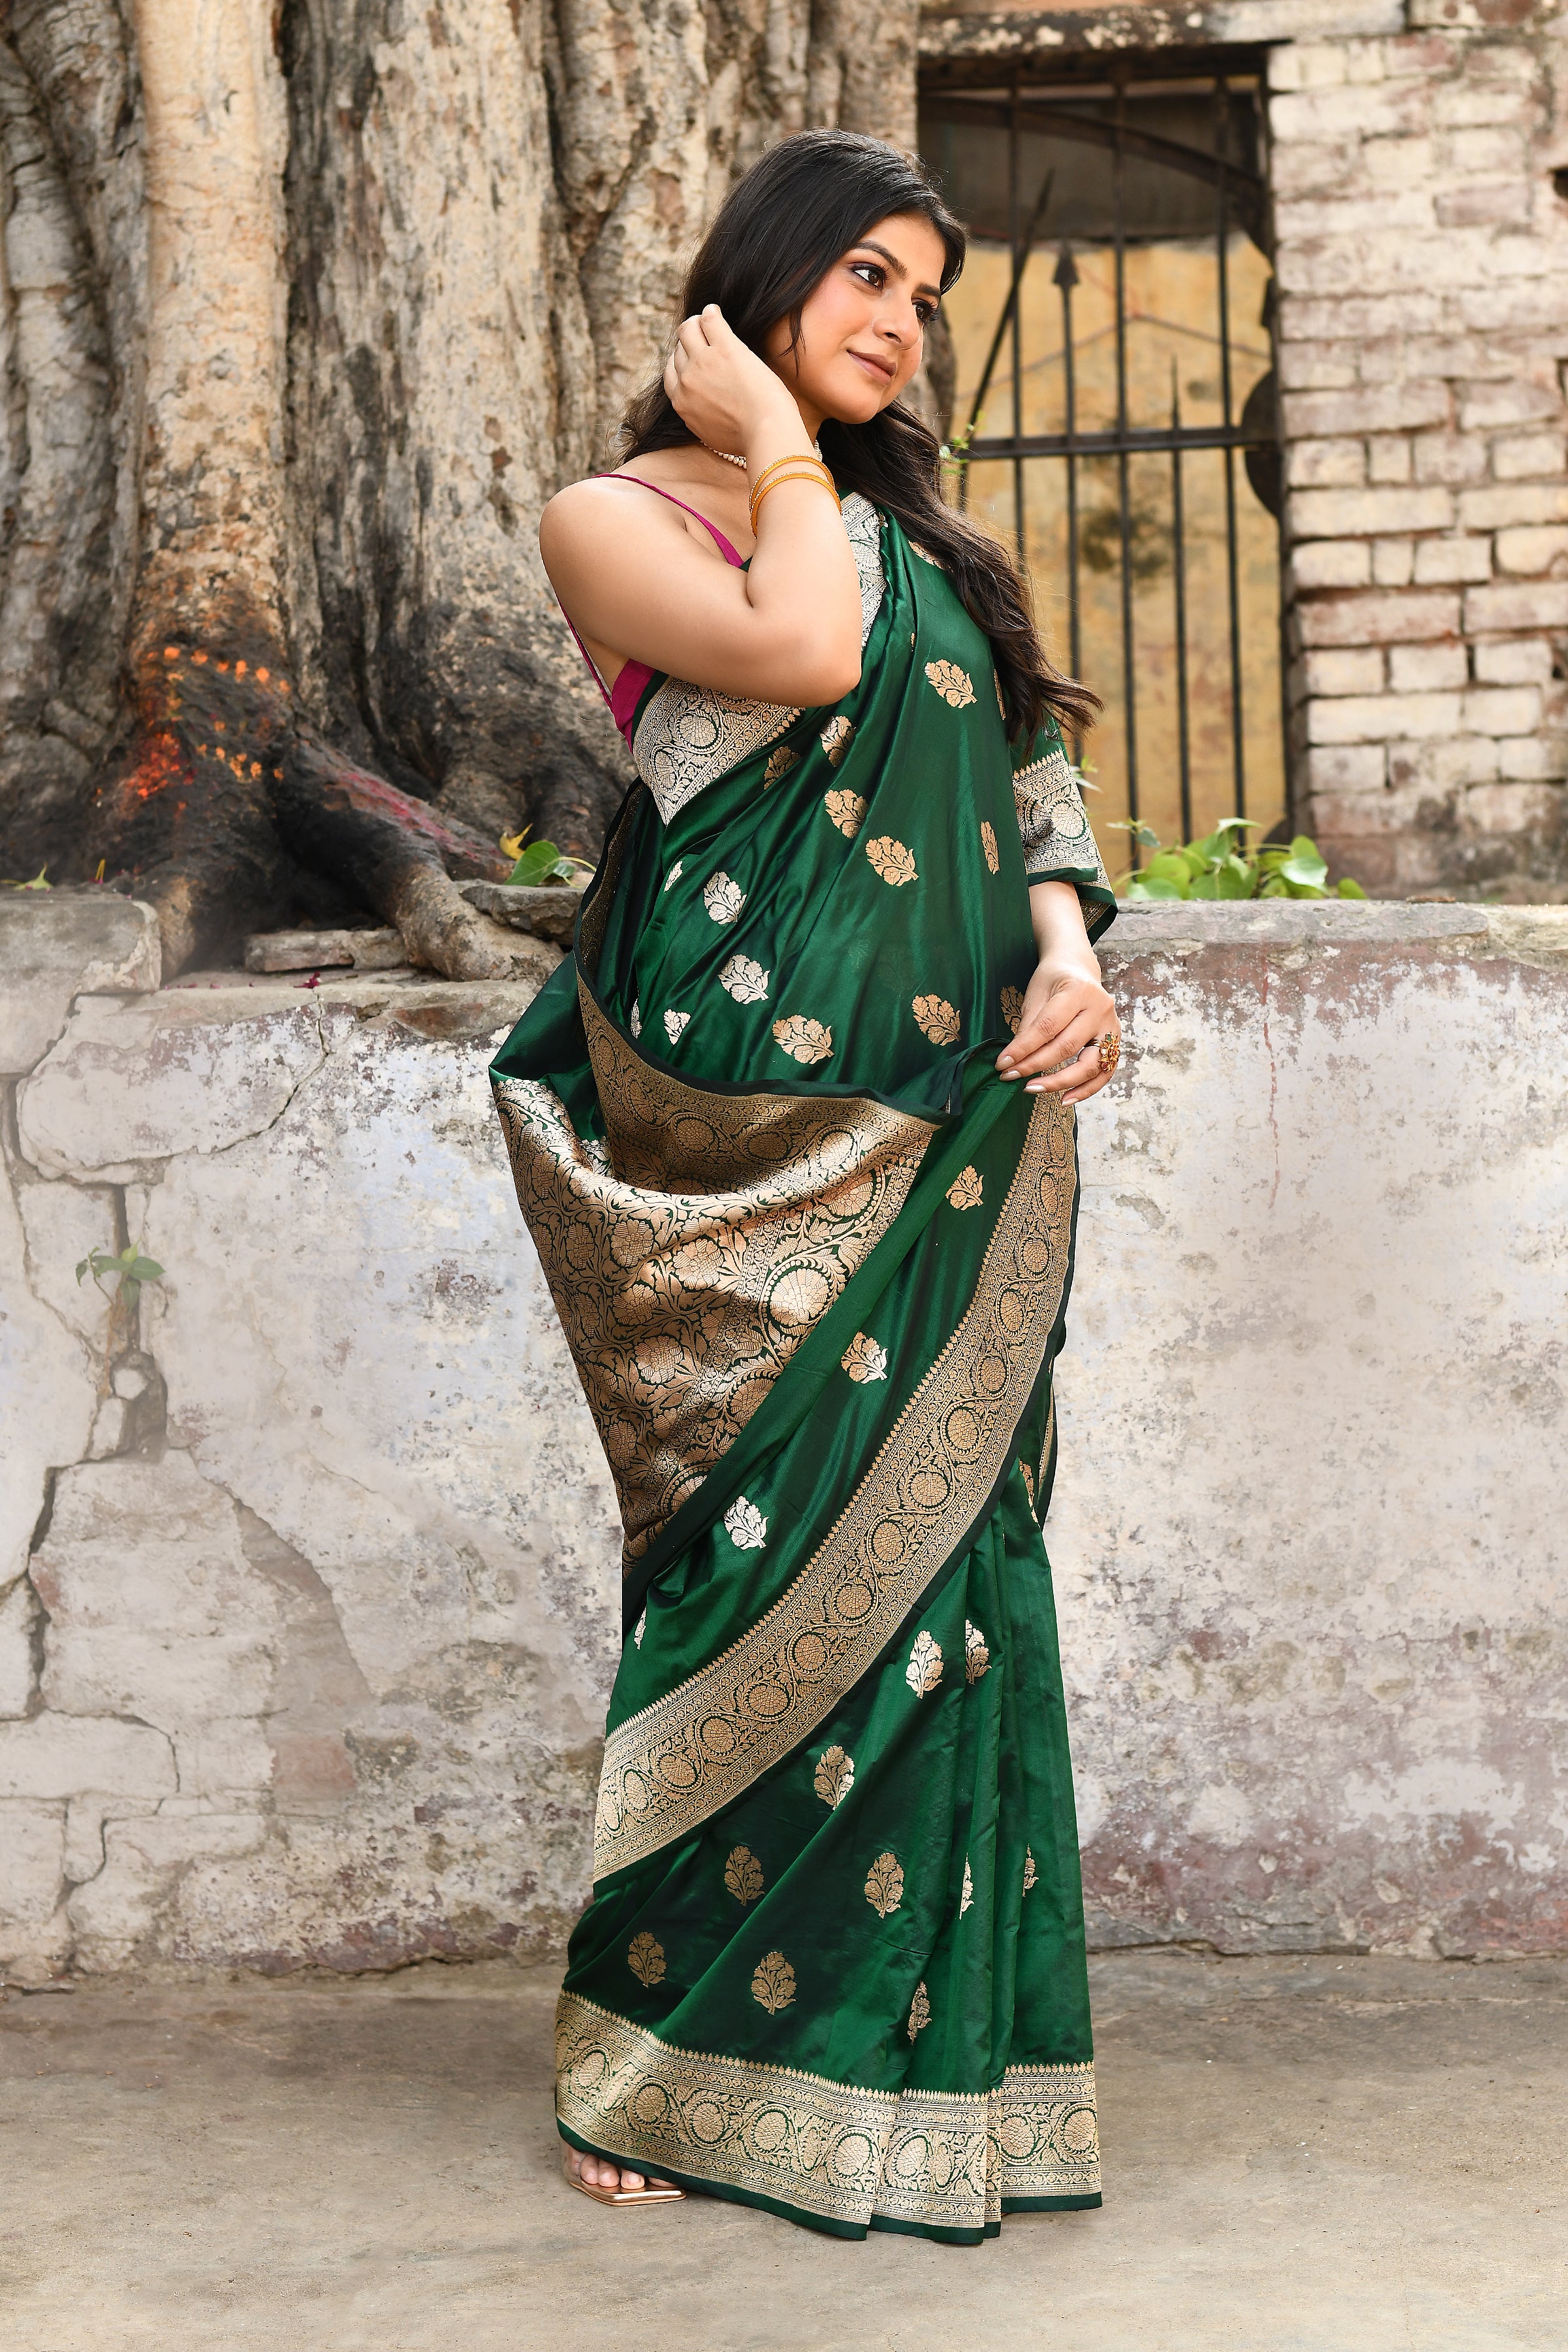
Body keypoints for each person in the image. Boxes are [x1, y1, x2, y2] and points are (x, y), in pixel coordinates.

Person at [490, 127, 1121, 2244]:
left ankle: (934, 2069)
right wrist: (767, 439)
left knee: (957, 1570)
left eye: (921, 296)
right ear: (755, 280)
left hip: (961, 1085)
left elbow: (1030, 766)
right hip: (751, 1110)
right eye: (862, 275)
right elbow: (807, 657)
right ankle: (664, 2055)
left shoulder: (910, 529)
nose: (896, 321)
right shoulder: (618, 516)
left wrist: (1068, 956)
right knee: (750, 1556)